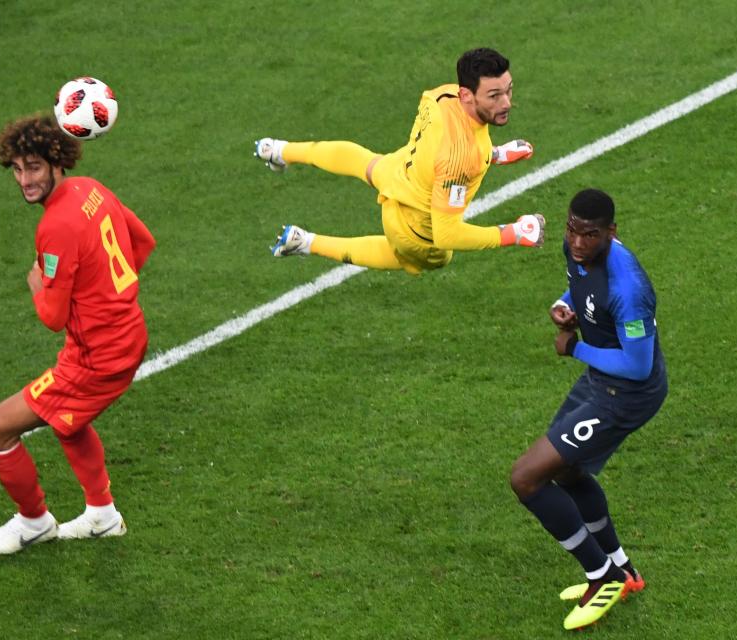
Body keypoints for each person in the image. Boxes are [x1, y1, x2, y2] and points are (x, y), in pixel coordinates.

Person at [0, 114, 156, 554]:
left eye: (34, 167)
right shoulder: (92, 189)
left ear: (58, 163)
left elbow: (53, 317)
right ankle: (102, 515)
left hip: (96, 358)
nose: (25, 180)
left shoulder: (55, 225)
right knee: (69, 426)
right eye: (17, 170)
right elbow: (143, 242)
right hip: (127, 332)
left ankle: (33, 521)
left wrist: (37, 284)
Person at [509, 189, 667, 630]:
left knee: (526, 478)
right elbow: (580, 285)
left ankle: (602, 577)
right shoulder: (576, 245)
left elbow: (637, 368)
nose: (577, 243)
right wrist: (566, 305)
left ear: (611, 233)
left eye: (590, 235)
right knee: (566, 472)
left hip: (626, 395)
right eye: (572, 230)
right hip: (602, 382)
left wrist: (575, 347)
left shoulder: (630, 290)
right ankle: (624, 571)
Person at [255, 47, 545, 275]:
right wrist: (514, 233)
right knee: (423, 259)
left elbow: (444, 150)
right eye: (494, 95)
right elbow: (447, 234)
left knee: (362, 160)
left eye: (508, 90)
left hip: (399, 171)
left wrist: (494, 154)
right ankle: (304, 242)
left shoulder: (439, 96)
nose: (506, 102)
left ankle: (279, 150)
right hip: (415, 232)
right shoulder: (462, 157)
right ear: (467, 95)